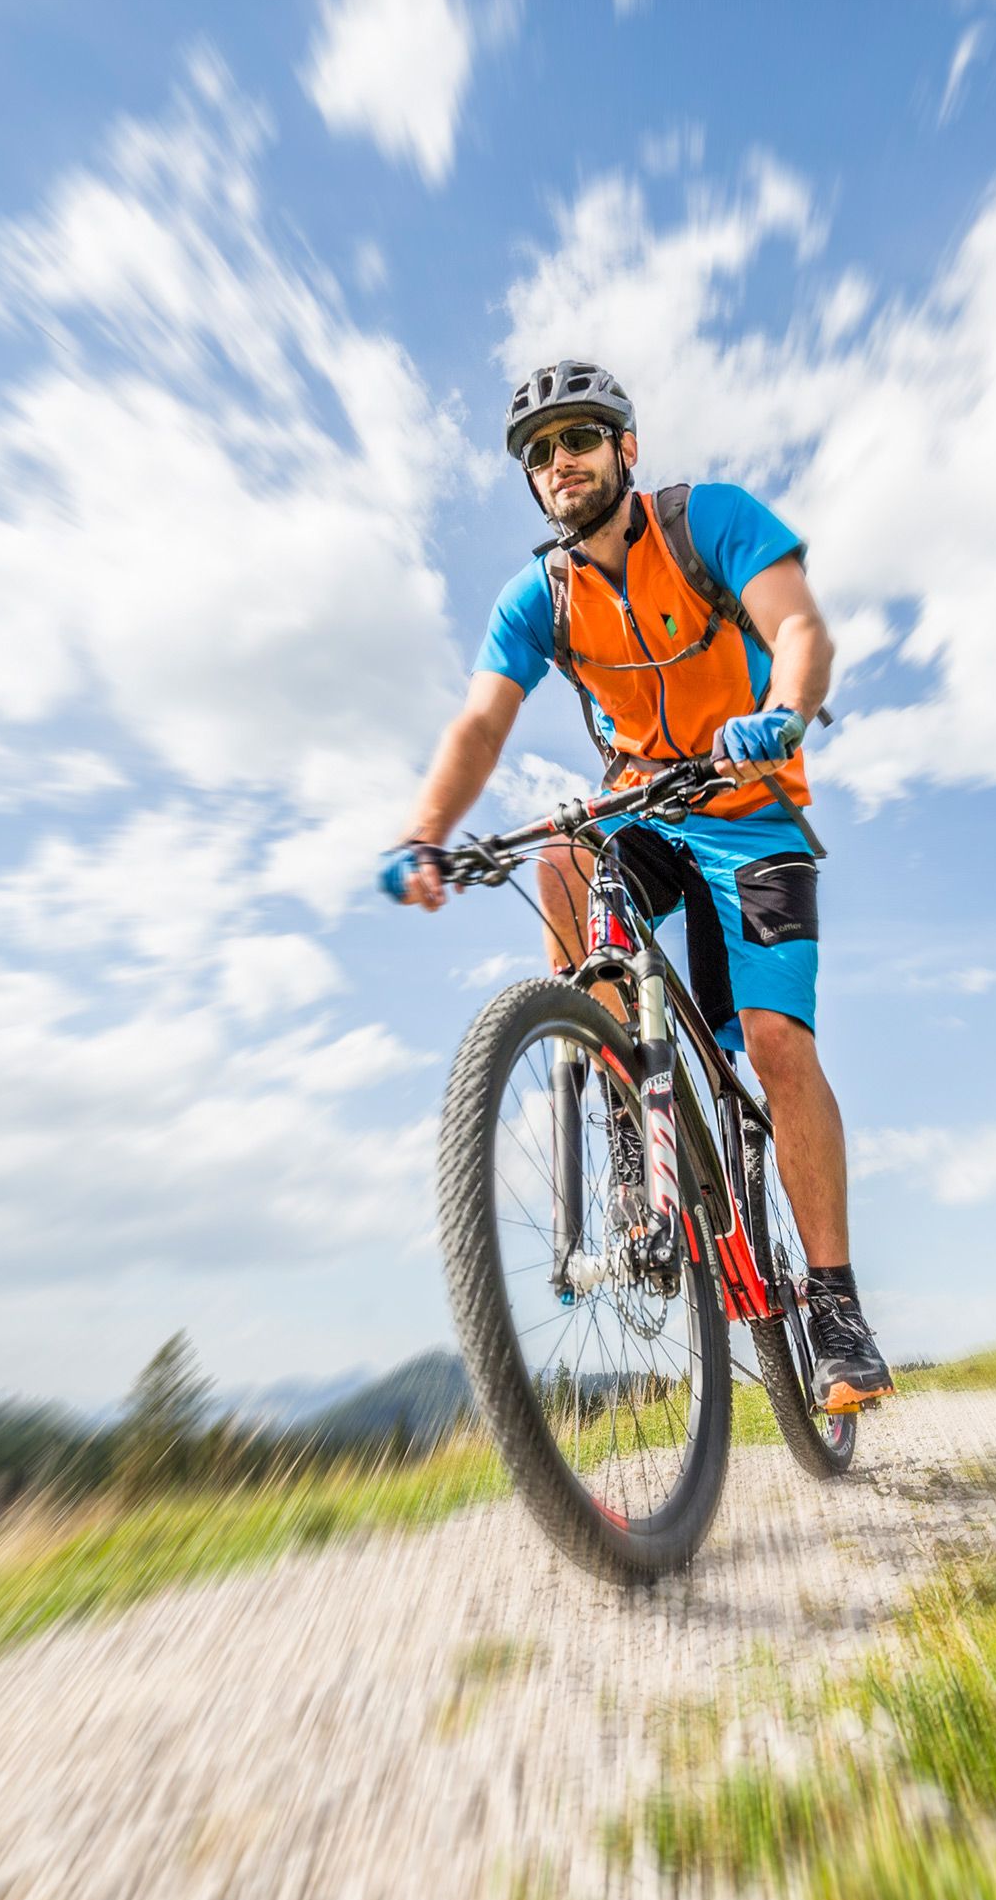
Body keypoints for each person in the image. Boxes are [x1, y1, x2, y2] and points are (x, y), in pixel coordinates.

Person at [378, 358, 894, 1413]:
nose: (560, 462)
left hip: (752, 816)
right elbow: (481, 721)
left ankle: (835, 1304)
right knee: (563, 854)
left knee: (779, 1044)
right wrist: (427, 833)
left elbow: (799, 627)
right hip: (643, 813)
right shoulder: (542, 597)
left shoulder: (710, 522)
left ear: (625, 448)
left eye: (579, 440)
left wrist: (783, 713)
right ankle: (626, 1096)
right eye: (540, 453)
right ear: (532, 481)